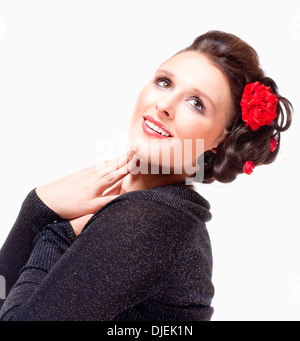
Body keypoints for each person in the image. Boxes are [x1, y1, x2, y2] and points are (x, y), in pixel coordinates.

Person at [0, 30, 292, 321]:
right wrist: (36, 209)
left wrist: (53, 227)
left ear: (220, 140)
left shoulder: (153, 221)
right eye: (164, 82)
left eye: (196, 103)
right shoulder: (146, 209)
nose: (164, 105)